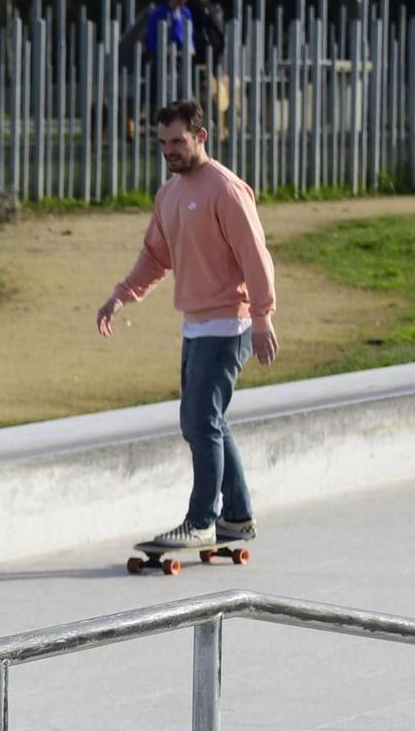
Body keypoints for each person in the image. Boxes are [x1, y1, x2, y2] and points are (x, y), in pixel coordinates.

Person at [96, 100, 280, 549]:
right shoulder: (170, 194)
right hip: (196, 324)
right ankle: (237, 516)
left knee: (200, 421)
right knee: (206, 421)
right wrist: (122, 294)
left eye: (177, 141)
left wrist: (262, 317)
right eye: (162, 143)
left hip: (229, 323)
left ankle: (201, 520)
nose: (170, 151)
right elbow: (157, 257)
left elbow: (256, 257)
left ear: (202, 137)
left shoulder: (226, 190)